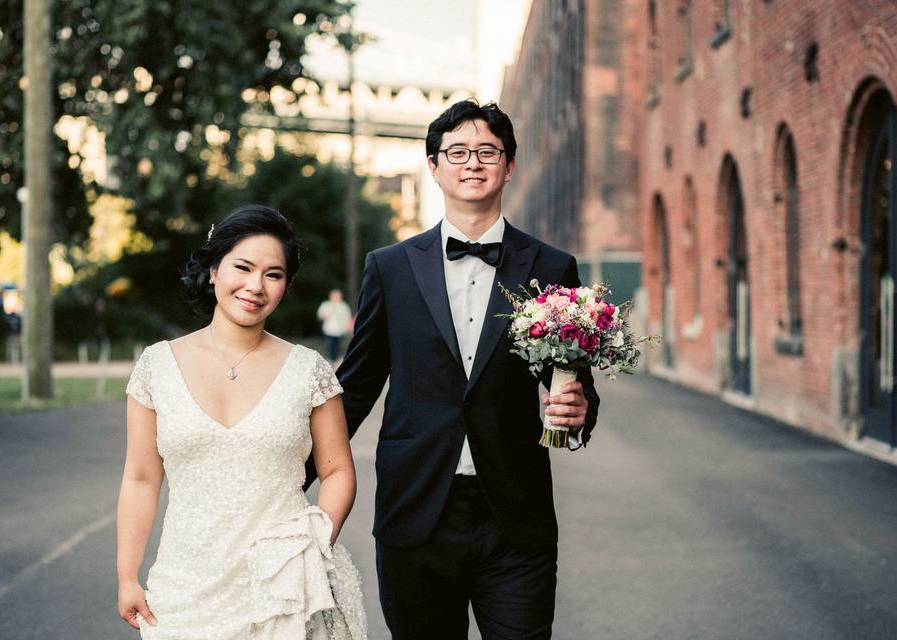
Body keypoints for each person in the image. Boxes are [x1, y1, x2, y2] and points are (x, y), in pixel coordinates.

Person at [323, 99, 600, 639]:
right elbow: (356, 386)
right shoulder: (390, 267)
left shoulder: (551, 267)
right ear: (434, 166)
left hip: (515, 518)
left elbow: (572, 381)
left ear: (509, 164)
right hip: (417, 513)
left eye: (487, 151)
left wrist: (578, 412)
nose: (472, 163)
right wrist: (292, 476)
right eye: (456, 152)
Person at [116, 205, 367, 639]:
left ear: (286, 286)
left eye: (273, 274)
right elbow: (140, 478)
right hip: (183, 592)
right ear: (214, 270)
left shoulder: (309, 370)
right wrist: (126, 575)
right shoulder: (157, 365)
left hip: (280, 589)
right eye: (243, 267)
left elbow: (338, 470)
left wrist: (311, 545)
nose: (256, 285)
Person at [317, 288, 352, 364]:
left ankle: (336, 362)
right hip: (329, 330)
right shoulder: (326, 305)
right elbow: (320, 315)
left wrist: (348, 327)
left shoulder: (344, 306)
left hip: (340, 331)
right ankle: (330, 361)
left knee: (338, 347)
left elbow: (348, 317)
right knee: (330, 347)